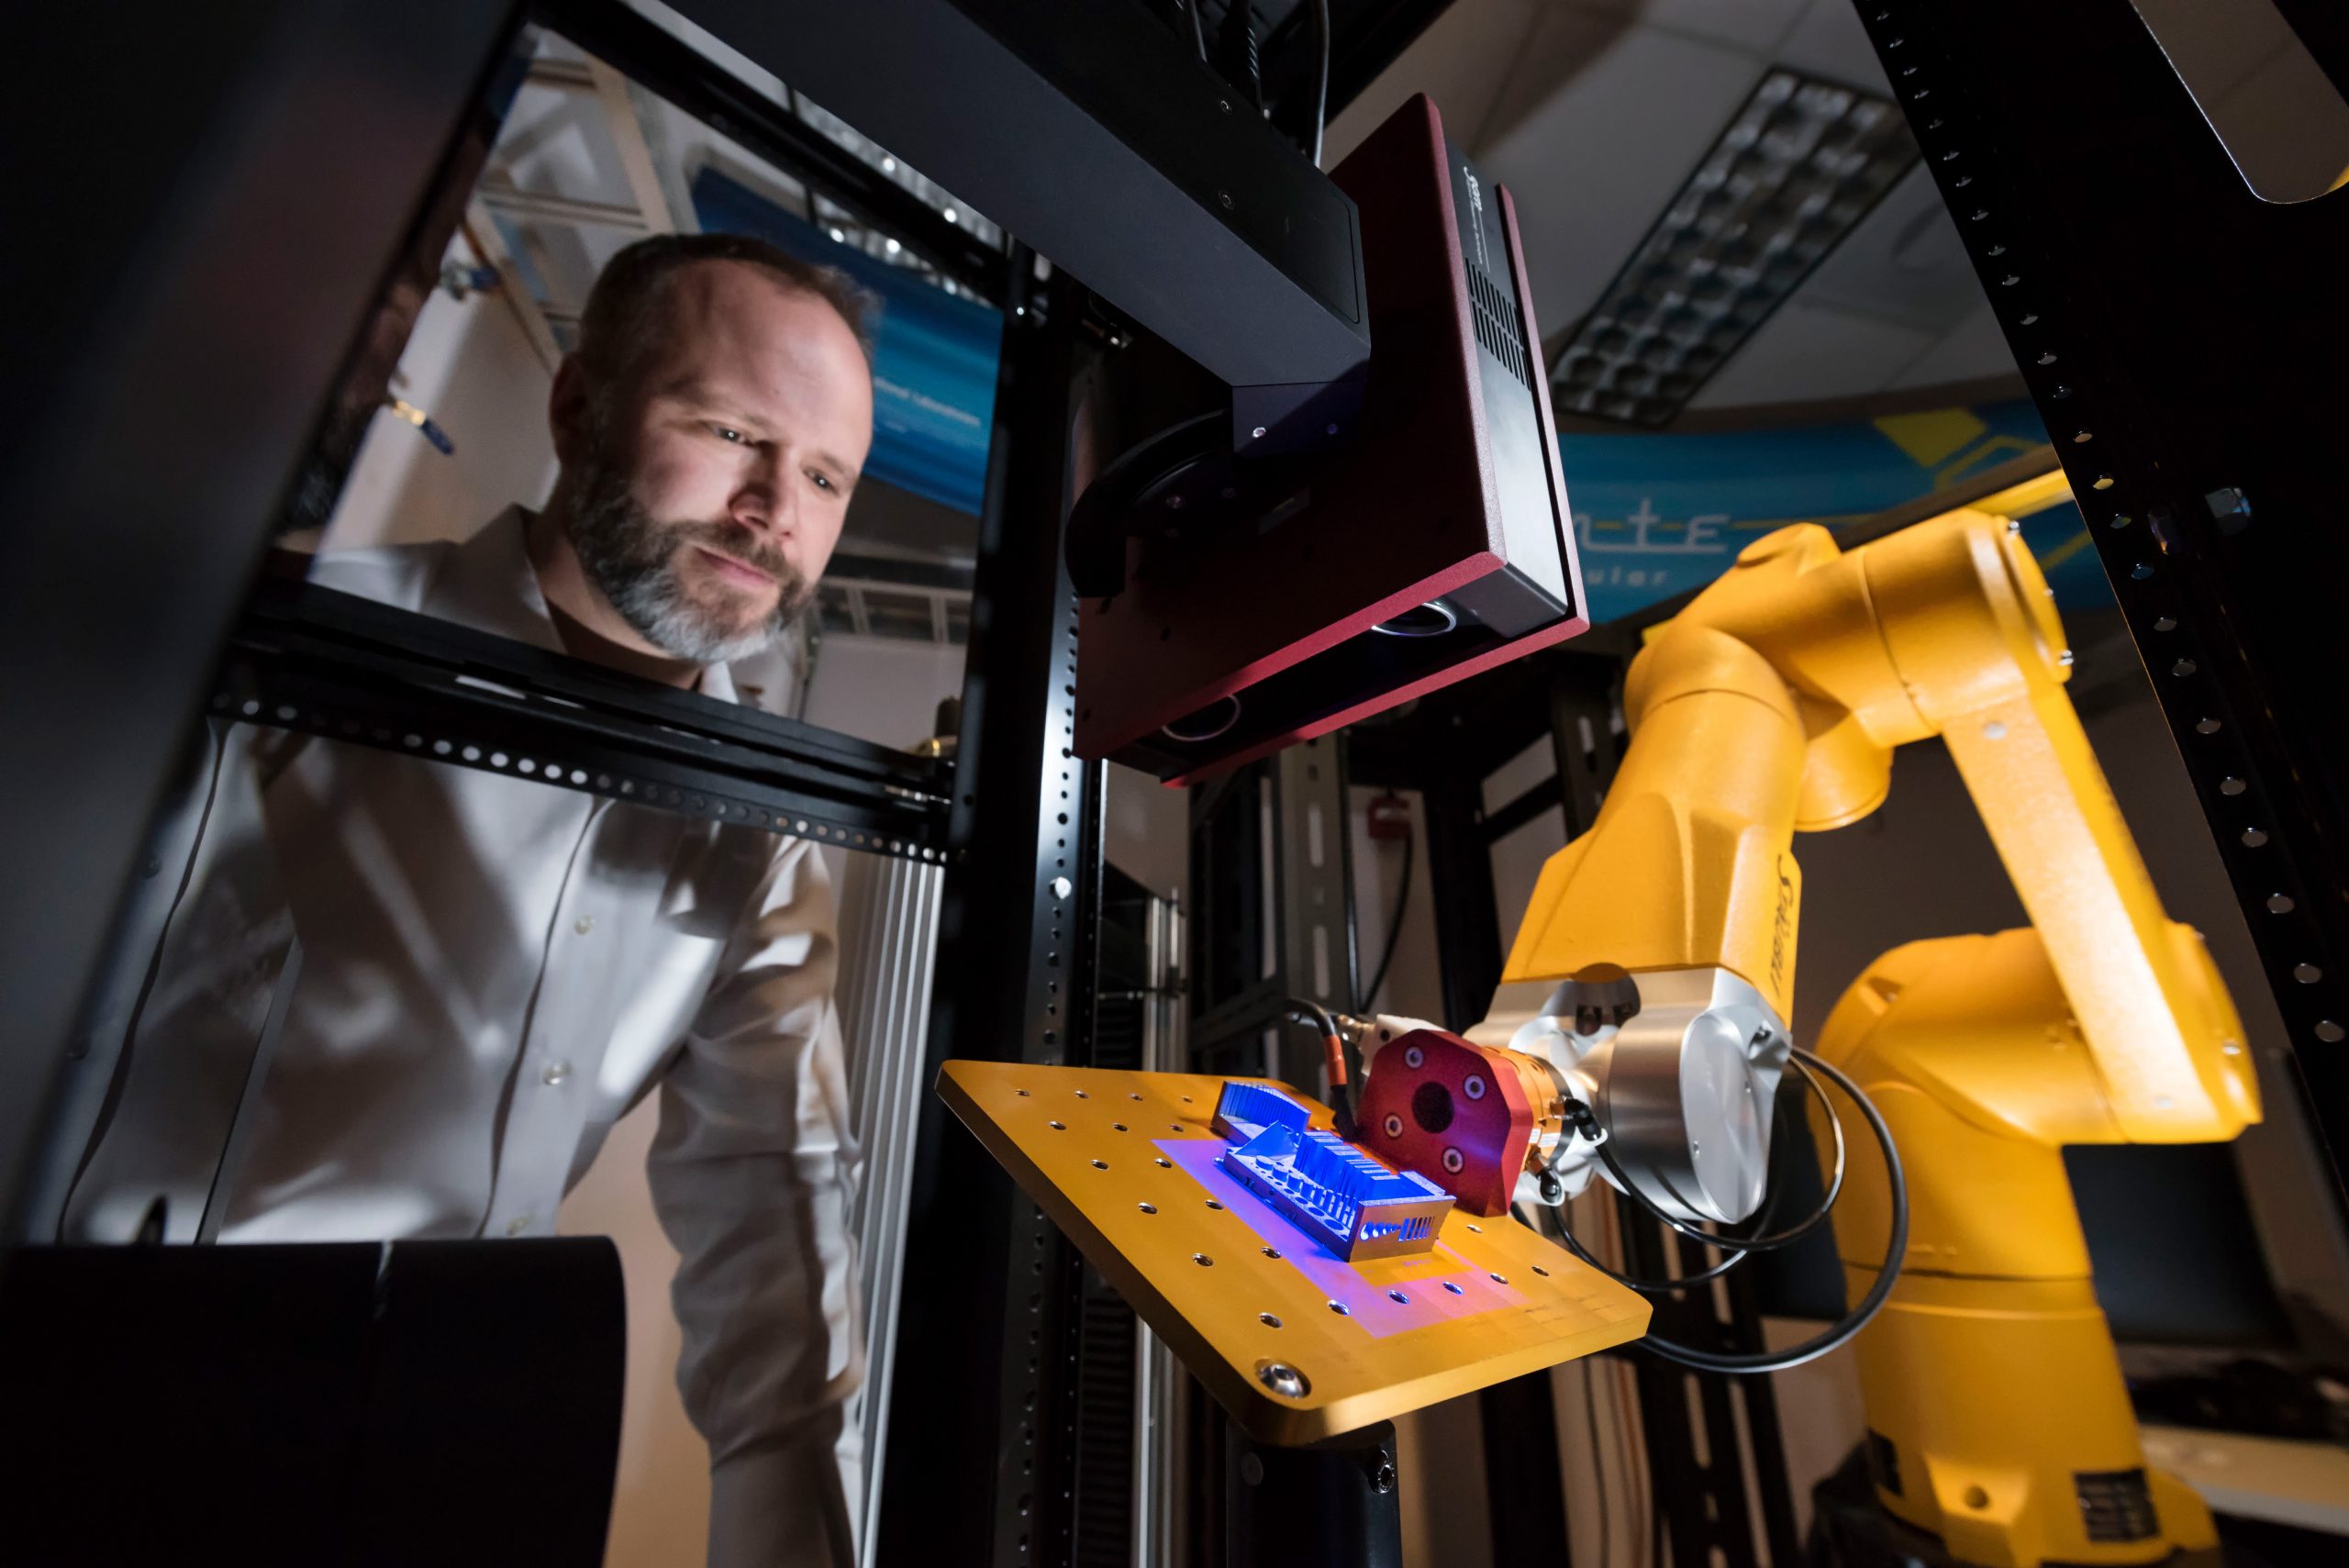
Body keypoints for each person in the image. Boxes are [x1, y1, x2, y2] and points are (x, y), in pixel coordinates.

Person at [55, 232, 878, 1567]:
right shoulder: (290, 640)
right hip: (90, 1408)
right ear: (577, 408)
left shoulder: (759, 840)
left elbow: (775, 1239)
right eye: (731, 430)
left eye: (827, 474)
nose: (773, 509)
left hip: (426, 1460)